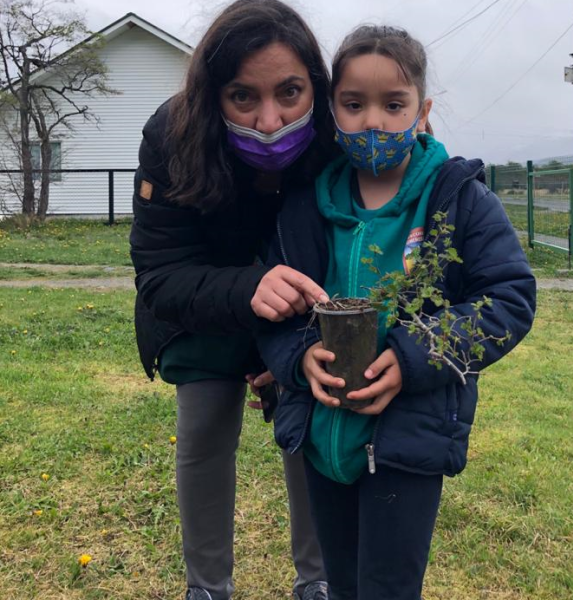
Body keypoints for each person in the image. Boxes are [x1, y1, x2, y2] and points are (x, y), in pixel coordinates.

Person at [258, 25, 537, 600]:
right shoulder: (305, 205)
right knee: (340, 581)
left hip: (407, 440)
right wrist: (298, 358)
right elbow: (276, 310)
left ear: (423, 110)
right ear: (331, 109)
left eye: (394, 104)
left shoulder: (458, 199)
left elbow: (510, 298)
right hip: (320, 437)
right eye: (354, 104)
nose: (374, 122)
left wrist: (413, 357)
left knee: (387, 587)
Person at [129, 1, 337, 599]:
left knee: (312, 421)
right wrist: (250, 287)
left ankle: (318, 581)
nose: (270, 120)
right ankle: (208, 588)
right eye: (242, 96)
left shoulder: (332, 138)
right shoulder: (170, 135)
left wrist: (282, 355)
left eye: (290, 93)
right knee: (204, 429)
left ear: (315, 89)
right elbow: (161, 274)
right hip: (198, 306)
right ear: (211, 94)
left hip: (302, 305)